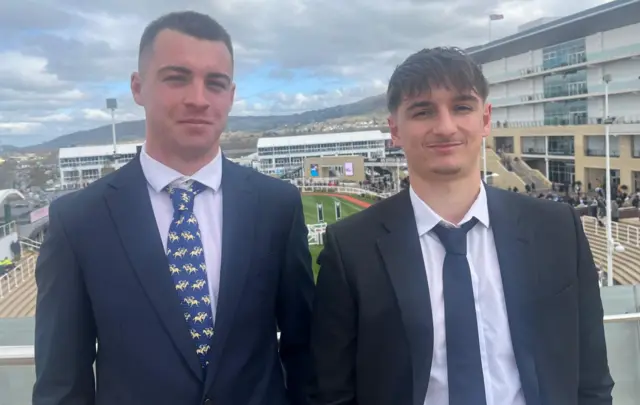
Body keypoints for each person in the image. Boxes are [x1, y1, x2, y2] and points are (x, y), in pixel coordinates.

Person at [33, 11, 314, 405]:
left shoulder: (277, 207)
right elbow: (61, 383)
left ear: (230, 96)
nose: (197, 99)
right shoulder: (77, 221)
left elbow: (305, 354)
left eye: (214, 83)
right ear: (137, 87)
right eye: (176, 77)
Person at [309, 47, 613, 405]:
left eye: (461, 107)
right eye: (423, 111)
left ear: (485, 119)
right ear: (394, 129)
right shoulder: (351, 248)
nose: (445, 126)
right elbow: (331, 393)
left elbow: (592, 378)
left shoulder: (556, 228)